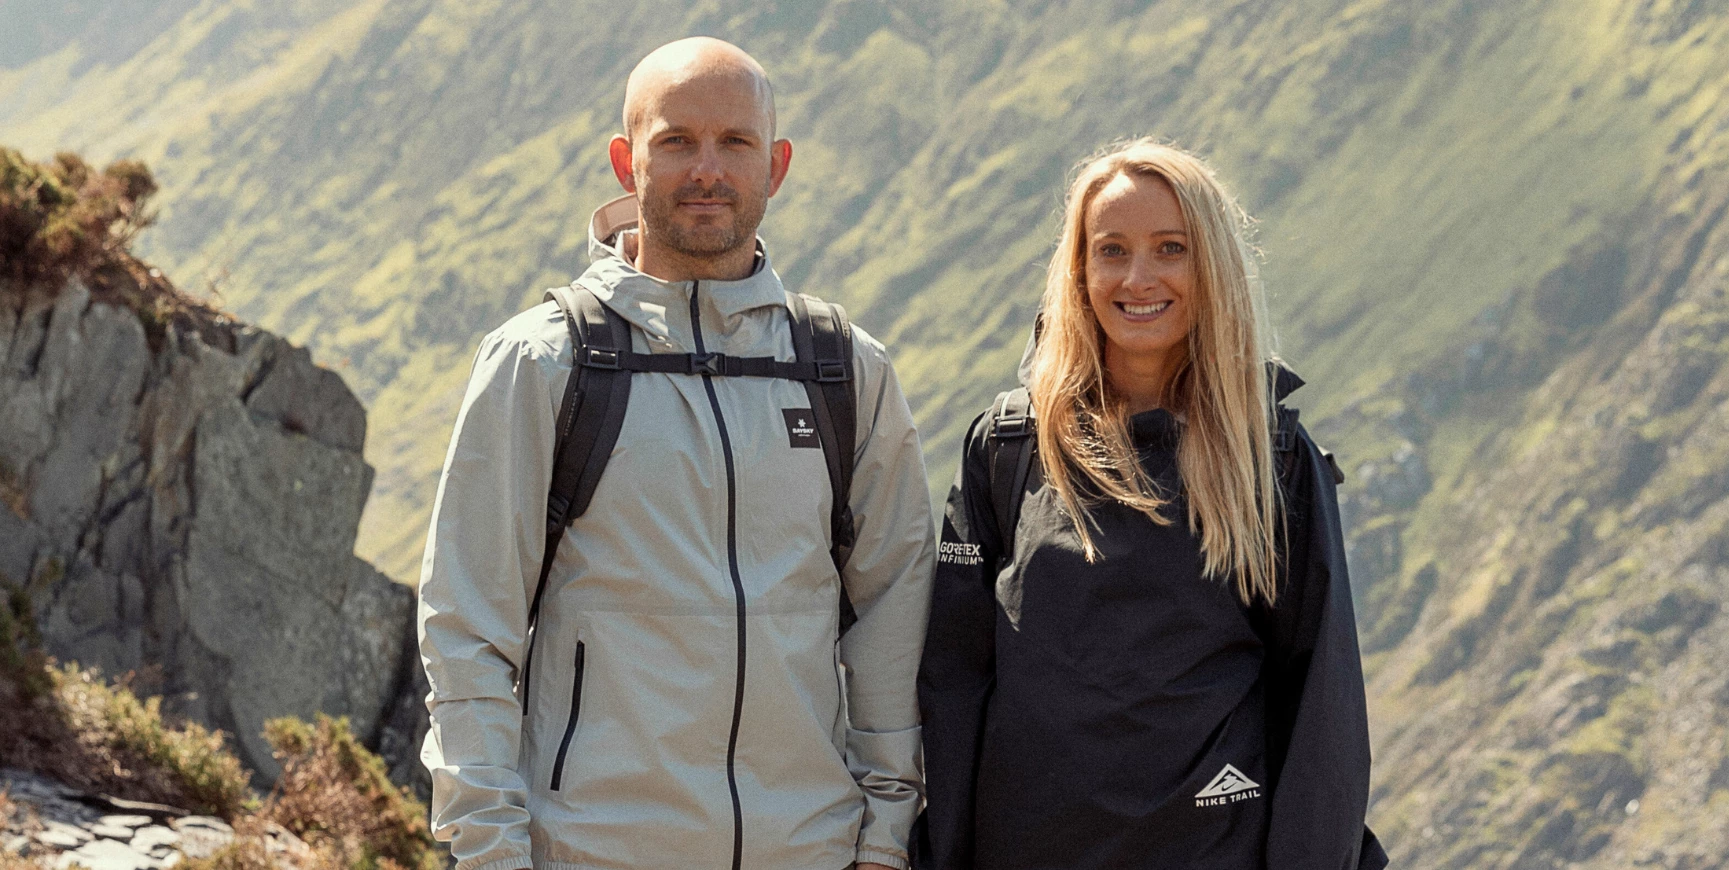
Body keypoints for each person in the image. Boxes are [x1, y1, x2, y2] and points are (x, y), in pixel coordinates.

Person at [418, 37, 933, 870]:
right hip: (591, 851)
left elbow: (894, 620)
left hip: (808, 850)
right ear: (627, 161)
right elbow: (467, 630)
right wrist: (489, 852)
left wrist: (881, 841)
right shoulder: (543, 363)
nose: (708, 170)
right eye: (676, 141)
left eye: (736, 143)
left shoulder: (846, 371)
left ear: (778, 165)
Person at [916, 139, 1387, 870]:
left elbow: (1323, 704)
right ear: (1079, 269)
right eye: (1112, 250)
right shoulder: (1007, 446)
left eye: (1171, 248)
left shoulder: (1273, 460)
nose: (1139, 278)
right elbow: (950, 684)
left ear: (1213, 268)